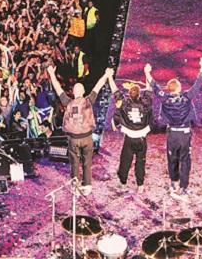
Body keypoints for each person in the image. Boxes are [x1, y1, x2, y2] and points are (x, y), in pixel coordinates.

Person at [145, 56, 202, 200]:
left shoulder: (165, 98)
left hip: (172, 135)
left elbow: (154, 86)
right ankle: (183, 187)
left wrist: (147, 72)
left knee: (172, 158)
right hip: (184, 134)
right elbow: (198, 83)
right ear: (179, 88)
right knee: (185, 160)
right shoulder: (186, 96)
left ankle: (174, 183)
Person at [47, 65, 113, 195]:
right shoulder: (88, 101)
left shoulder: (67, 102)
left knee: (75, 163)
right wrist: (106, 75)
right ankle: (87, 185)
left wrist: (52, 74)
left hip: (73, 138)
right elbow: (98, 86)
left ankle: (75, 185)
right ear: (83, 91)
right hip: (87, 137)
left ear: (73, 92)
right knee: (87, 161)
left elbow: (58, 88)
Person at [111, 79, 153, 193]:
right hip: (141, 139)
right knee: (140, 162)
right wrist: (147, 73)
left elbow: (115, 92)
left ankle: (123, 183)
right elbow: (149, 89)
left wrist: (109, 77)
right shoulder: (145, 103)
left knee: (125, 161)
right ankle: (140, 185)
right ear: (139, 94)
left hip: (129, 139)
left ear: (129, 94)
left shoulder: (125, 103)